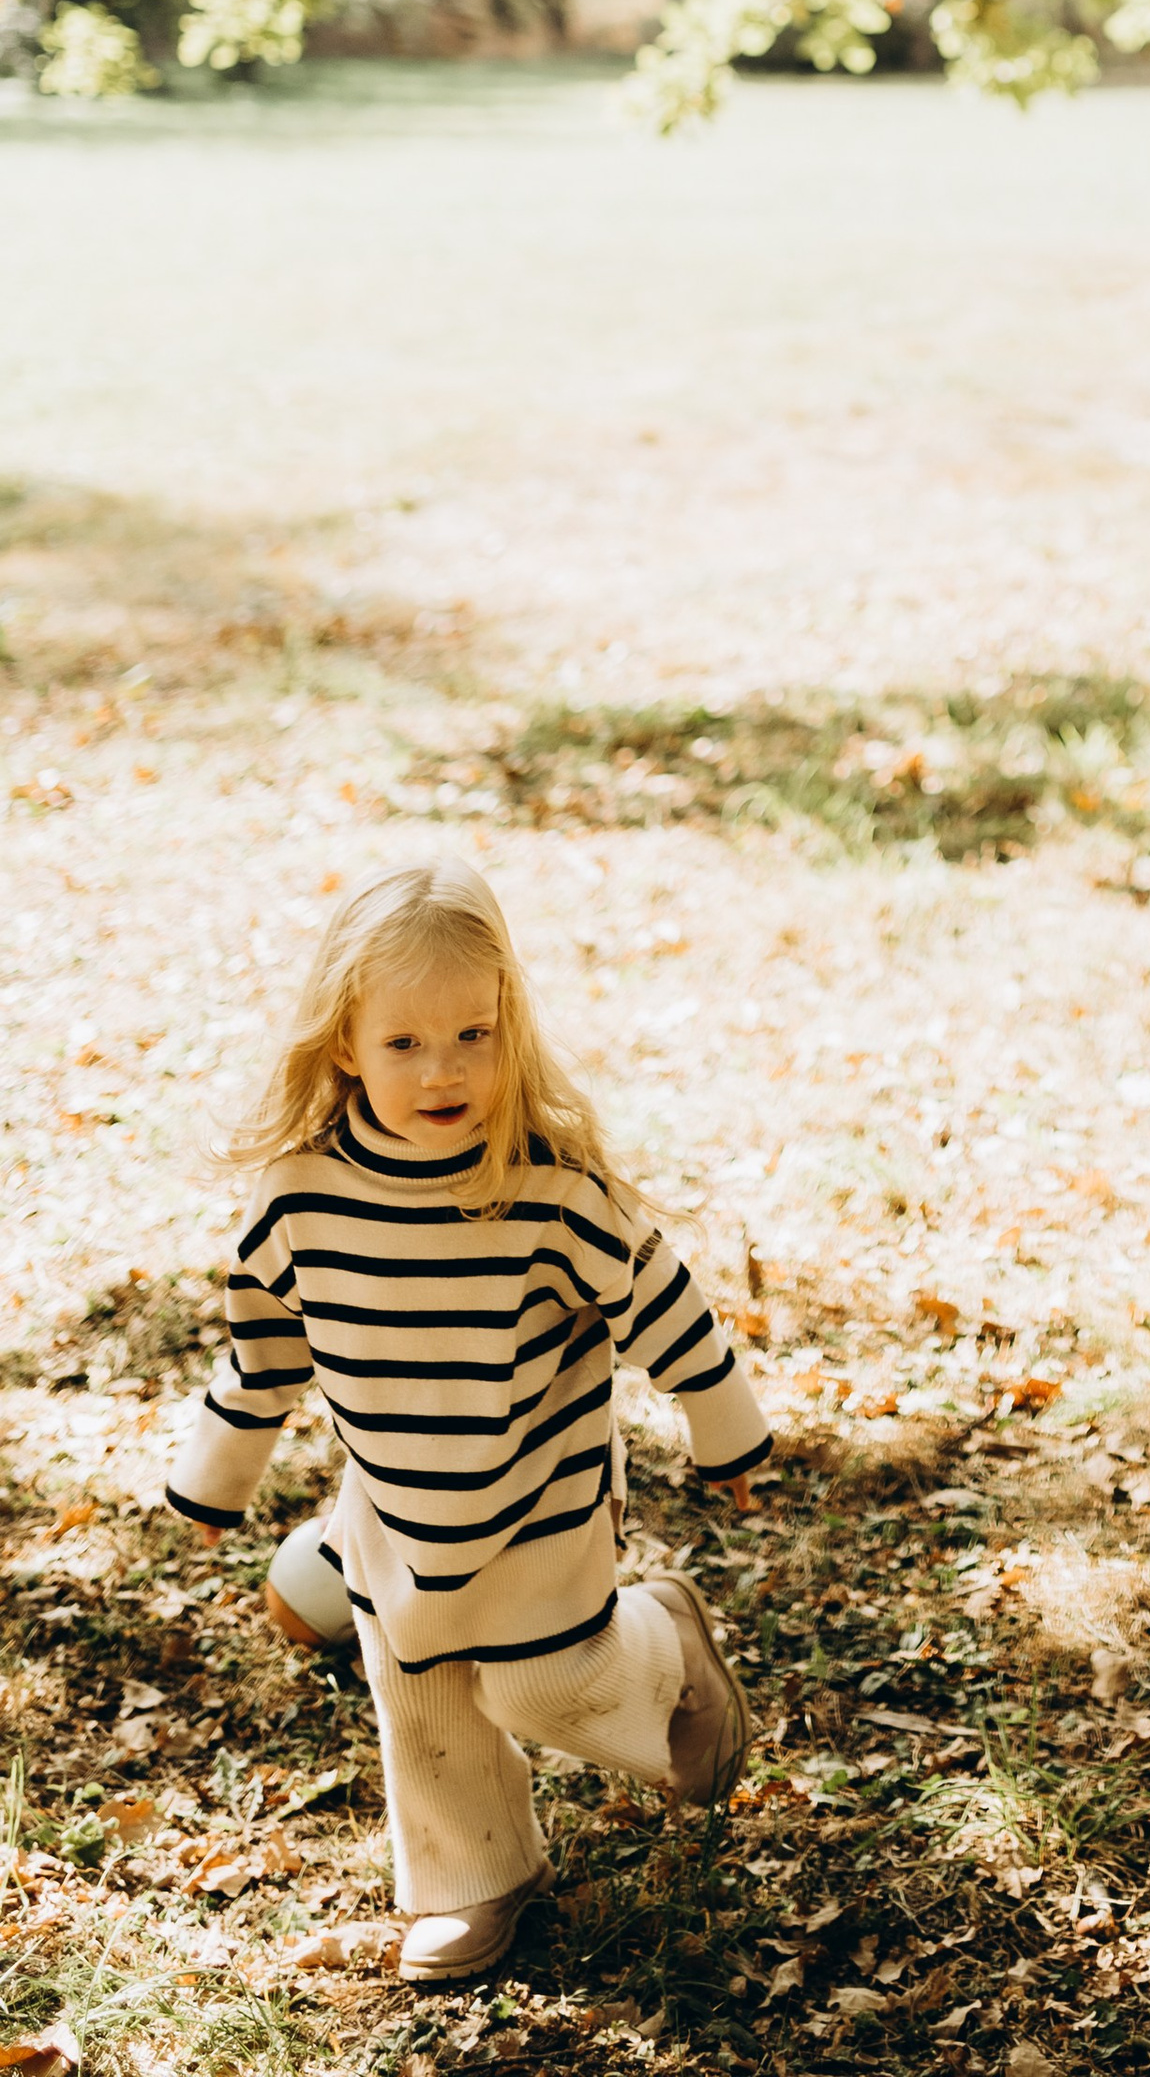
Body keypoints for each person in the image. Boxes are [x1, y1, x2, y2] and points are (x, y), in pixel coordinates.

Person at [166, 851, 771, 1987]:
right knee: (425, 1689)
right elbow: (264, 1353)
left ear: (509, 1026)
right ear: (345, 1042)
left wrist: (725, 1428)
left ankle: (661, 1640)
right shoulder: (300, 1196)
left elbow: (662, 1304)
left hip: (539, 1488)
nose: (441, 1070)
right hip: (393, 1505)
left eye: (472, 1037)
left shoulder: (542, 1184)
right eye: (403, 1043)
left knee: (537, 1685)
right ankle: (476, 1876)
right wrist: (215, 1481)